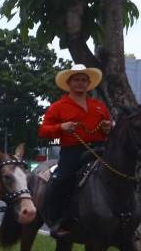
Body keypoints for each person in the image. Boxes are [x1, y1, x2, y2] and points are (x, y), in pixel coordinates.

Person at [38, 64, 112, 237]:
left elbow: (109, 128)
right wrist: (61, 127)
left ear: (89, 83)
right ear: (69, 83)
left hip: (100, 149)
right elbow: (43, 131)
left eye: (84, 80)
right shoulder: (58, 106)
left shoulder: (98, 106)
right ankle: (56, 220)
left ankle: (125, 219)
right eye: (76, 80)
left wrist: (109, 128)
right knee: (61, 179)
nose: (80, 83)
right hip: (73, 150)